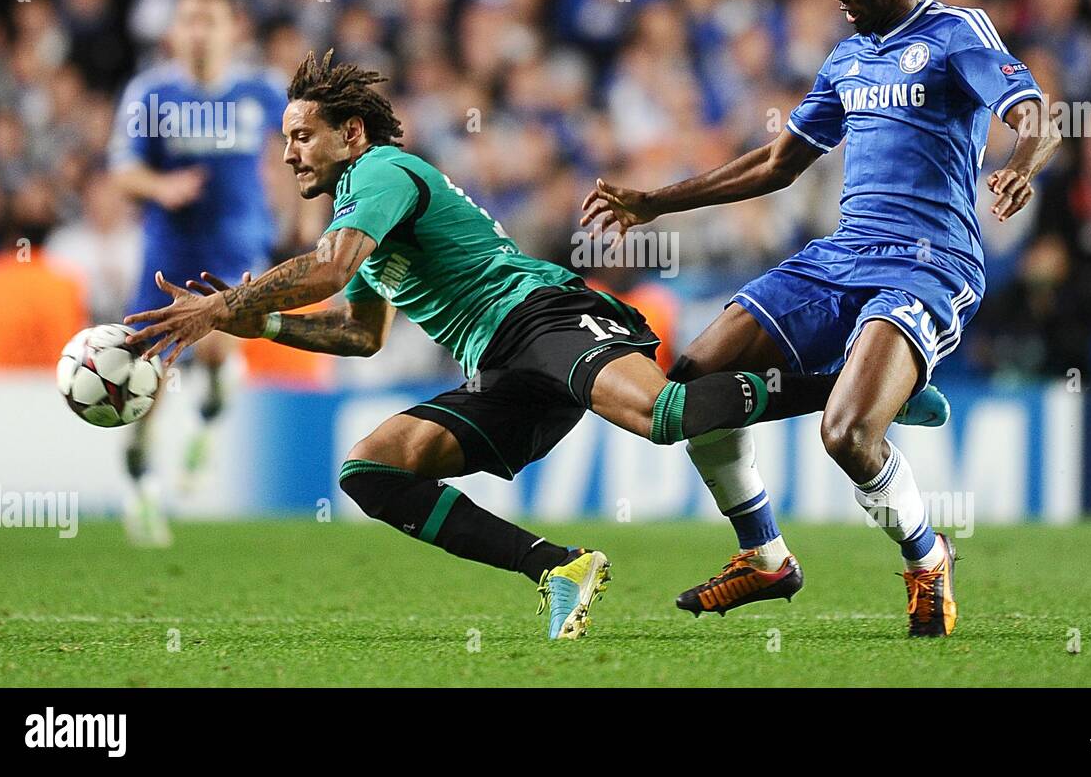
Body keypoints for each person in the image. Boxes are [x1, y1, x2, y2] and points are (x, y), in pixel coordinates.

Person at [124, 50, 885, 641]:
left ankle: (860, 387)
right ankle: (559, 567)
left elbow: (328, 269)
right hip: (500, 363)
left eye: (301, 136)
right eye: (284, 140)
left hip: (540, 315)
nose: (289, 154)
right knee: (372, 469)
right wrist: (268, 325)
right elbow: (361, 332)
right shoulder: (359, 206)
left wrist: (224, 306)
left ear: (349, 134)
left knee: (665, 414)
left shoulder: (381, 171)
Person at [582, 0, 1058, 636]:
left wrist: (1021, 165)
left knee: (845, 437)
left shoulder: (955, 34)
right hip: (841, 255)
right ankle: (765, 556)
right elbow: (778, 162)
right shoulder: (847, 58)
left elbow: (1036, 115)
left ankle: (928, 557)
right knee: (693, 388)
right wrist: (657, 201)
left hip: (927, 263)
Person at [108, 0, 288, 545]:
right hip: (168, 257)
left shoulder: (262, 90)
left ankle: (212, 405)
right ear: (173, 32)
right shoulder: (150, 93)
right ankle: (142, 484)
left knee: (215, 344)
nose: (198, 31)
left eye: (209, 19)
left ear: (234, 28)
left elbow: (302, 148)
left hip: (237, 249)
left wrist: (306, 211)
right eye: (188, 20)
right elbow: (122, 169)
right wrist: (161, 186)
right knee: (147, 383)